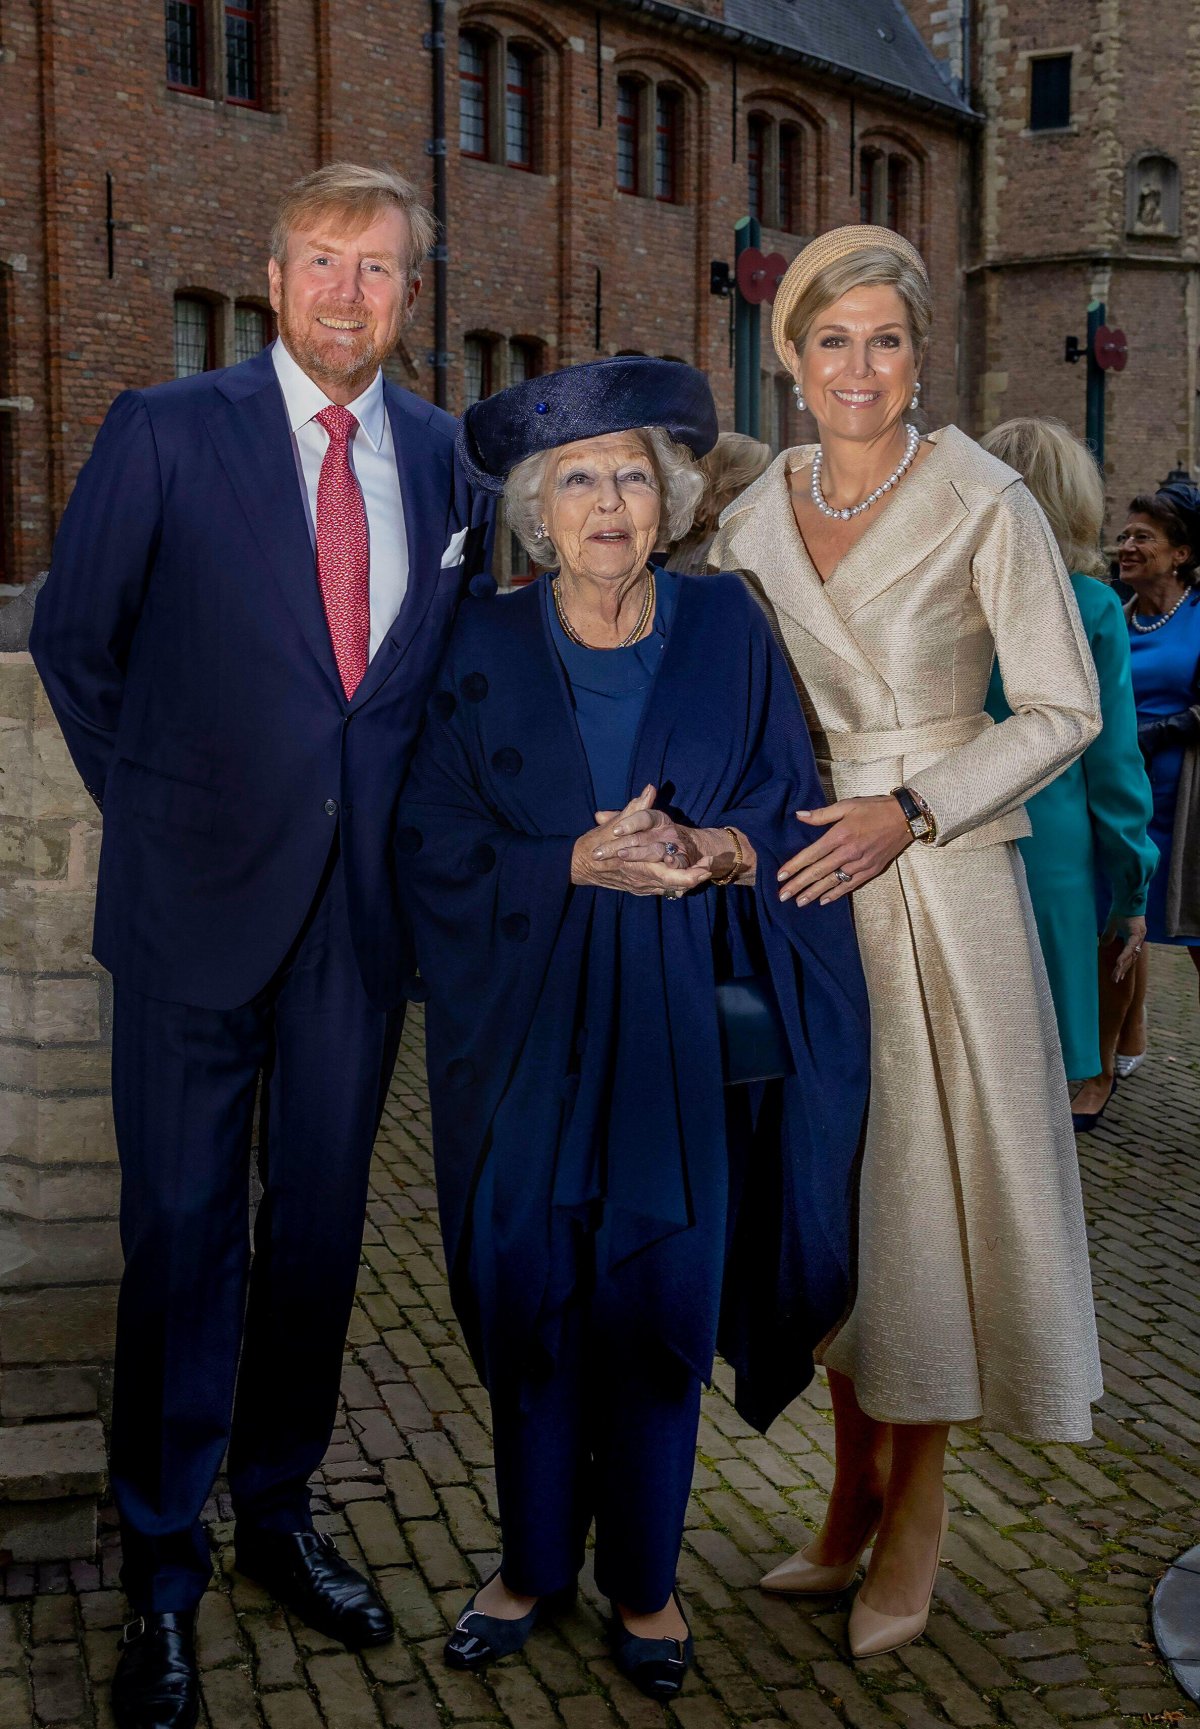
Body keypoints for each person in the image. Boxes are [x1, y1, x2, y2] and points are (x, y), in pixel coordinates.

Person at [30, 163, 493, 1729]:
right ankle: (160, 1568)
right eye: (322, 260)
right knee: (177, 1237)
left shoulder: (447, 464)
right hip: (185, 922)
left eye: (380, 270)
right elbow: (79, 650)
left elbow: (426, 700)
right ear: (275, 271)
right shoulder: (166, 433)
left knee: (317, 1238)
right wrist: (173, 821)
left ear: (409, 298)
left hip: (358, 934)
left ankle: (279, 1514)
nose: (348, 291)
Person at [396, 356, 870, 1701]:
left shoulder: (729, 627)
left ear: (669, 504)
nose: (608, 502)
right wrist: (566, 863)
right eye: (579, 481)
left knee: (660, 1293)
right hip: (525, 1019)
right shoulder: (480, 641)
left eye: (632, 479)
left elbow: (790, 804)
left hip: (675, 1012)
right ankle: (531, 1562)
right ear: (541, 515)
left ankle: (647, 1581)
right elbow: (427, 835)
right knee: (532, 1290)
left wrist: (718, 851)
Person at [710, 225, 1103, 1660]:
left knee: (929, 1213)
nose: (858, 366)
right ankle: (846, 1496)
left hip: (939, 885)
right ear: (791, 360)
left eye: (885, 339)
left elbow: (1063, 709)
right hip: (805, 896)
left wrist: (913, 809)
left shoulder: (984, 498)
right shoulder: (752, 522)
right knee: (834, 1208)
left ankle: (917, 1516)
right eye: (832, 340)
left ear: (921, 353)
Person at [978, 418, 1157, 1128]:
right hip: (1050, 844)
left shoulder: (942, 594)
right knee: (1038, 1072)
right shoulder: (1091, 605)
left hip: (943, 827)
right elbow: (1113, 759)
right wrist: (1132, 885)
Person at [1098, 487, 1200, 1084]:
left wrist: (1157, 733)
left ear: (1181, 553)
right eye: (1125, 535)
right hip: (1117, 793)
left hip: (1185, 796)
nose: (1126, 546)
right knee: (1118, 918)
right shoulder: (1111, 608)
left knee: (1190, 926)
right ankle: (1116, 1049)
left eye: (1143, 538)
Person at [668, 430, 772, 573]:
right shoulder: (733, 549)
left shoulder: (683, 543)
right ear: (732, 488)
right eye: (758, 482)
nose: (767, 492)